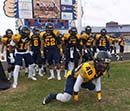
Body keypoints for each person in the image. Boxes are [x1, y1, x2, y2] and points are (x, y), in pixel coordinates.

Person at [42, 51, 111, 105]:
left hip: (84, 80)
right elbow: (77, 84)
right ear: (97, 61)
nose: (105, 66)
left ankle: (88, 88)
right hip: (73, 78)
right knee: (66, 98)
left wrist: (99, 97)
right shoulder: (87, 68)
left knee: (95, 89)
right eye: (103, 63)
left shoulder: (99, 68)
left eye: (106, 64)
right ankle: (51, 96)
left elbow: (98, 81)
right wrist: (76, 98)